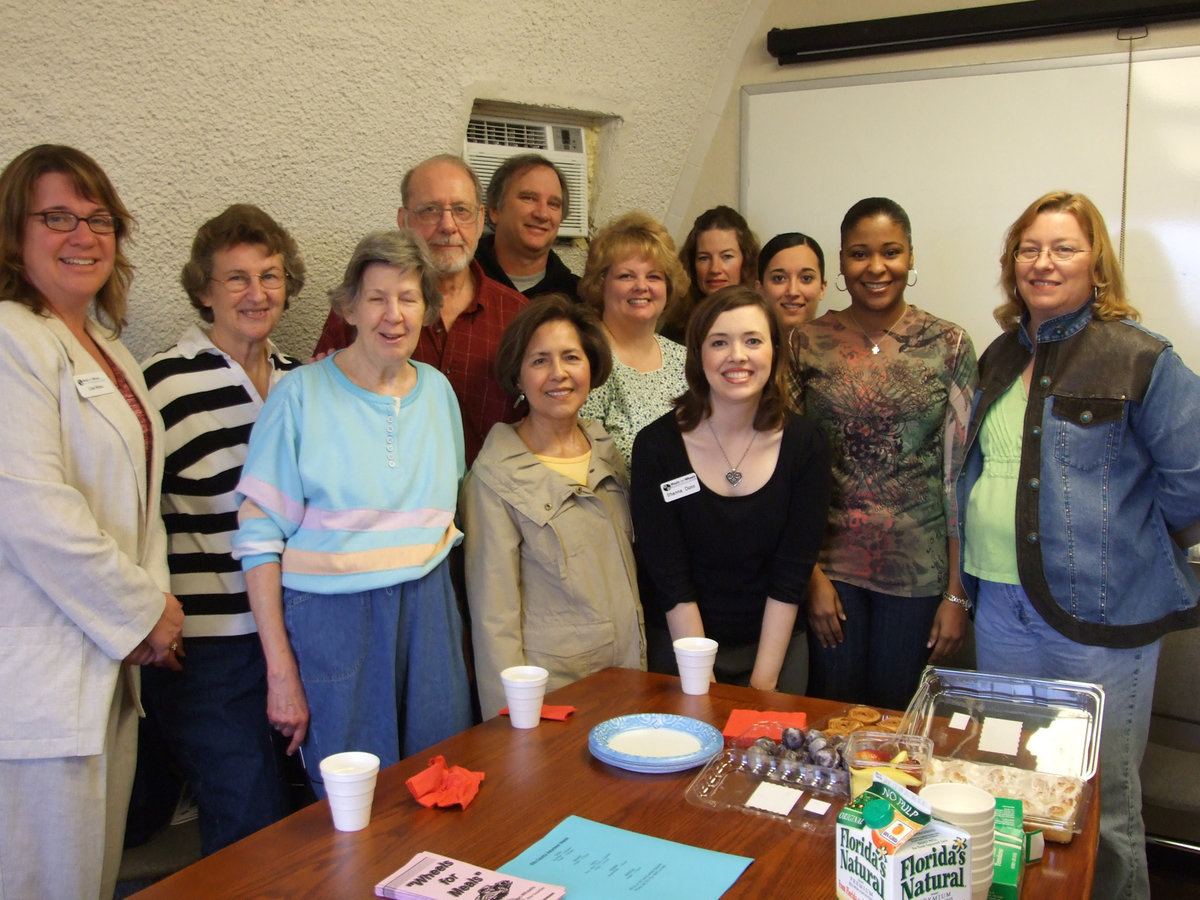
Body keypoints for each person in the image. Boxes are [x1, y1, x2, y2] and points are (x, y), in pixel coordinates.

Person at [957, 190, 1200, 900]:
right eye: (1029, 248)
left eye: (1064, 247)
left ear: (1097, 265)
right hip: (1000, 604)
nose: (1044, 262)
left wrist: (1126, 543)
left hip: (1101, 619)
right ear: (1012, 265)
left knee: (1101, 800)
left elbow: (1191, 483)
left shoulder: (1142, 358)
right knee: (1019, 792)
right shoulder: (1002, 355)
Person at [0, 144, 184, 899]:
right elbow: (30, 508)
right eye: (57, 218)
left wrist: (158, 612)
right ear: (14, 233)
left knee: (91, 877)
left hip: (110, 665)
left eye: (98, 218)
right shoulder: (11, 337)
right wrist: (143, 611)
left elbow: (143, 506)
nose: (83, 235)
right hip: (40, 672)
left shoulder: (107, 347)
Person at [233, 229, 472, 796]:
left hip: (430, 611)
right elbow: (258, 538)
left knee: (441, 780)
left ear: (427, 309)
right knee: (353, 799)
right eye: (377, 298)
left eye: (409, 298)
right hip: (332, 619)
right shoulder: (300, 396)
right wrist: (281, 672)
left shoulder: (439, 392)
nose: (394, 315)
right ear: (350, 309)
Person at [139, 204, 302, 854]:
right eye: (236, 278)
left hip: (295, 638)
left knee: (305, 814)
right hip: (211, 651)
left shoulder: (301, 381)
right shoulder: (163, 385)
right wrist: (149, 610)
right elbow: (129, 514)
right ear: (203, 290)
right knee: (247, 822)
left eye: (269, 275)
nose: (256, 293)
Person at [788, 197, 977, 711]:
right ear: (842, 261)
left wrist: (957, 593)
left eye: (890, 252)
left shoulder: (950, 344)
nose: (875, 268)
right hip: (831, 571)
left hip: (917, 576)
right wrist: (809, 575)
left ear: (911, 257)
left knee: (898, 724)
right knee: (833, 717)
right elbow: (786, 472)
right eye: (858, 254)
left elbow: (959, 476)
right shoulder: (805, 342)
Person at [632, 286, 831, 692]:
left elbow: (793, 572)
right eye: (719, 342)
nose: (737, 356)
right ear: (698, 354)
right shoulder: (657, 446)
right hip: (679, 645)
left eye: (753, 341)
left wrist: (763, 685)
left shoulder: (806, 445)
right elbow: (669, 575)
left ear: (774, 350)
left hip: (775, 646)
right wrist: (701, 680)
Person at [461, 295, 645, 718]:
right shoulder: (493, 479)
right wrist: (510, 725)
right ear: (518, 376)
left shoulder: (605, 450)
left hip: (627, 679)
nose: (558, 374)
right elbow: (495, 624)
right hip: (555, 696)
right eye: (540, 360)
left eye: (571, 357)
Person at [312, 155, 527, 464]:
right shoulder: (362, 312)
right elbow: (323, 405)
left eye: (461, 211)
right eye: (430, 210)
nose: (448, 226)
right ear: (403, 220)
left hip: (493, 504)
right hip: (383, 500)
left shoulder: (518, 317)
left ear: (480, 220)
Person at [576, 211, 690, 469]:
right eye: (626, 276)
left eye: (654, 276)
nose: (641, 286)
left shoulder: (686, 360)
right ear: (600, 284)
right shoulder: (586, 359)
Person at [476, 153, 580, 300]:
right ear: (495, 210)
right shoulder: (459, 280)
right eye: (528, 198)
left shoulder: (577, 298)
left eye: (553, 204)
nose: (542, 214)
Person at [659, 205, 759, 343]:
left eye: (727, 256)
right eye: (704, 258)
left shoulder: (763, 320)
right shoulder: (676, 329)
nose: (715, 269)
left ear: (746, 261)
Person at [756, 232, 826, 334]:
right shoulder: (741, 348)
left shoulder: (843, 348)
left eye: (806, 278)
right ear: (760, 289)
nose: (792, 292)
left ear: (822, 288)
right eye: (779, 278)